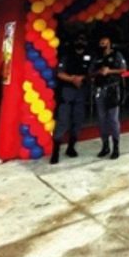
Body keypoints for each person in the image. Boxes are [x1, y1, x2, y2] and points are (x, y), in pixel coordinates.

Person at [50, 35, 91, 164]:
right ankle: (55, 152)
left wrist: (81, 79)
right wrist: (72, 79)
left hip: (81, 92)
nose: (80, 42)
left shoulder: (90, 56)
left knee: (77, 121)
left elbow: (92, 73)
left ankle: (71, 148)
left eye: (83, 40)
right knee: (63, 121)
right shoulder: (67, 55)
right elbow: (59, 73)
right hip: (67, 91)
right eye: (78, 39)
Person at [92, 35, 126, 160]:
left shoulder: (117, 55)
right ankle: (105, 146)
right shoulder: (97, 57)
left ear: (109, 43)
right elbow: (90, 72)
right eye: (101, 43)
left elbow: (123, 69)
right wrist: (99, 72)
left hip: (112, 89)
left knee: (113, 119)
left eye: (104, 42)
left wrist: (109, 71)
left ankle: (116, 147)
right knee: (101, 119)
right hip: (100, 90)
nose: (102, 45)